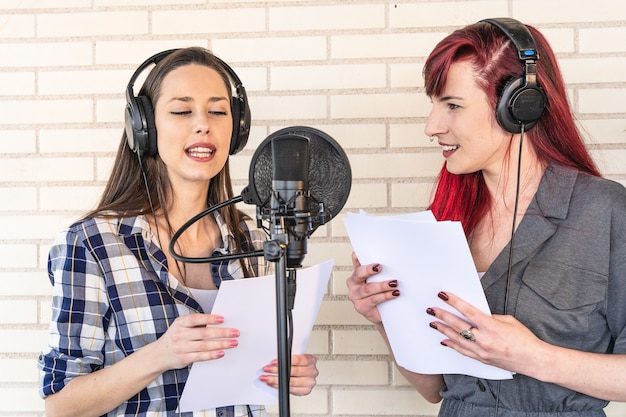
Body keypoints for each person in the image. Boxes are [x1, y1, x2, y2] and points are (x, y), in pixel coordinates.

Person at [346, 17, 626, 417]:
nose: (431, 127)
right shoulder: (446, 218)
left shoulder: (604, 211)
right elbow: (436, 389)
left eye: (453, 105)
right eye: (434, 105)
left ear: (519, 105)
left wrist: (533, 357)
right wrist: (381, 317)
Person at [38, 47, 318, 417]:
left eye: (218, 111)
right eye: (182, 111)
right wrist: (161, 354)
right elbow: (62, 406)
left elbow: (256, 368)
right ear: (145, 128)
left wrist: (287, 373)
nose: (203, 124)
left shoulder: (254, 239)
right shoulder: (92, 243)